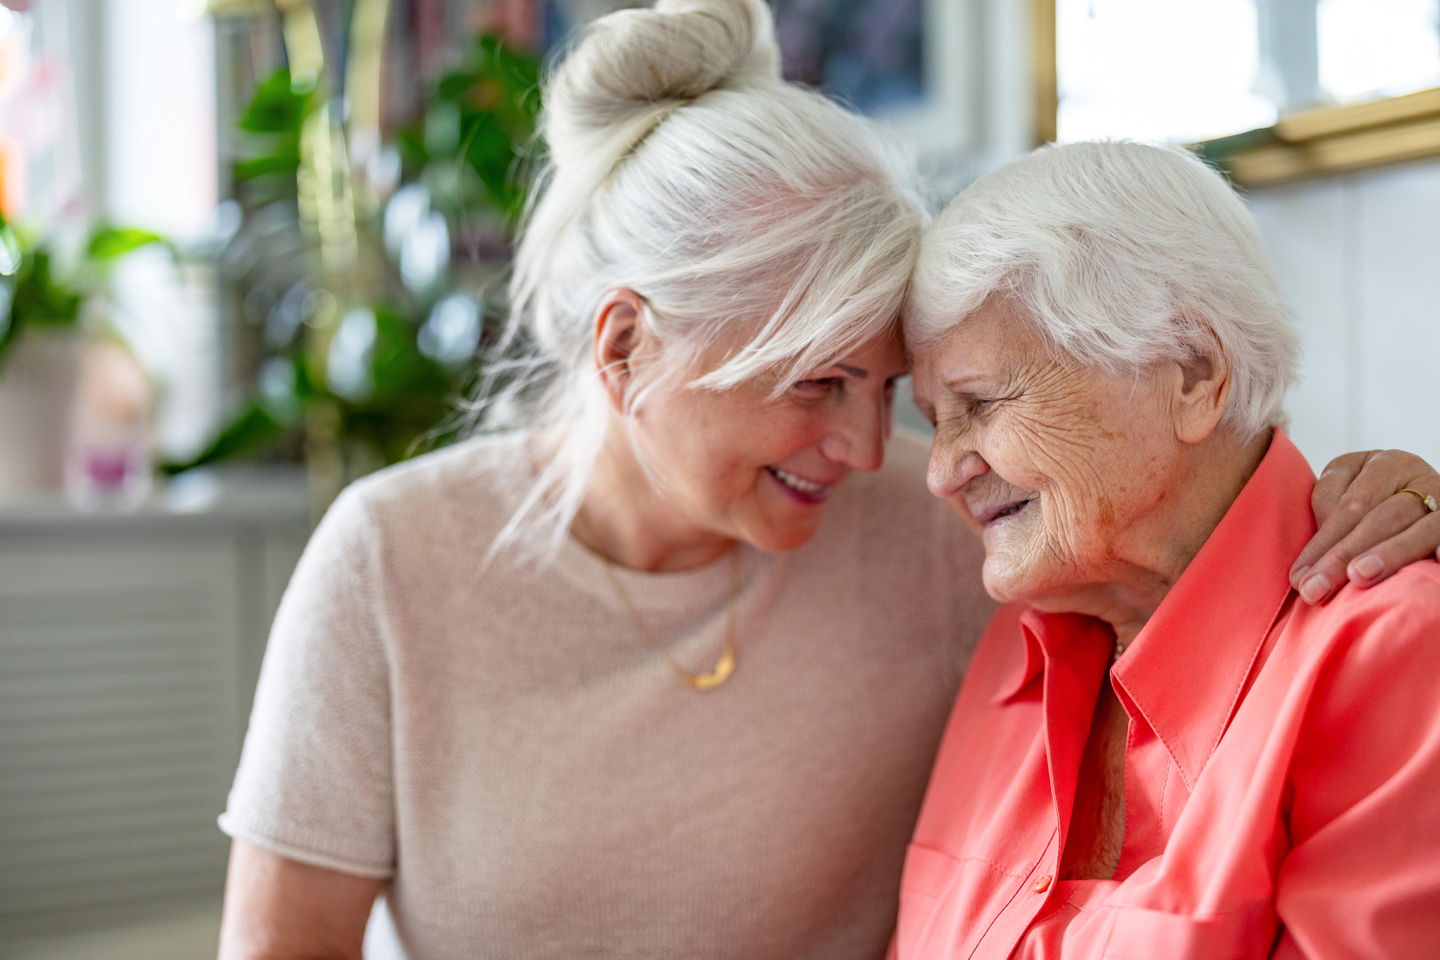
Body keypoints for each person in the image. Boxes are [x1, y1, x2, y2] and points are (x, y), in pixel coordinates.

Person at [216, 3, 1440, 957]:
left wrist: (1395, 492)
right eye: (814, 384)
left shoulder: (961, 545)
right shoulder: (389, 555)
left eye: (887, 391)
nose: (874, 458)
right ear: (628, 345)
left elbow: (1203, 515)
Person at [897, 140, 1440, 960]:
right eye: (933, 418)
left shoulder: (1393, 651)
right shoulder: (1011, 650)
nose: (940, 471)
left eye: (979, 403)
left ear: (1192, 371)